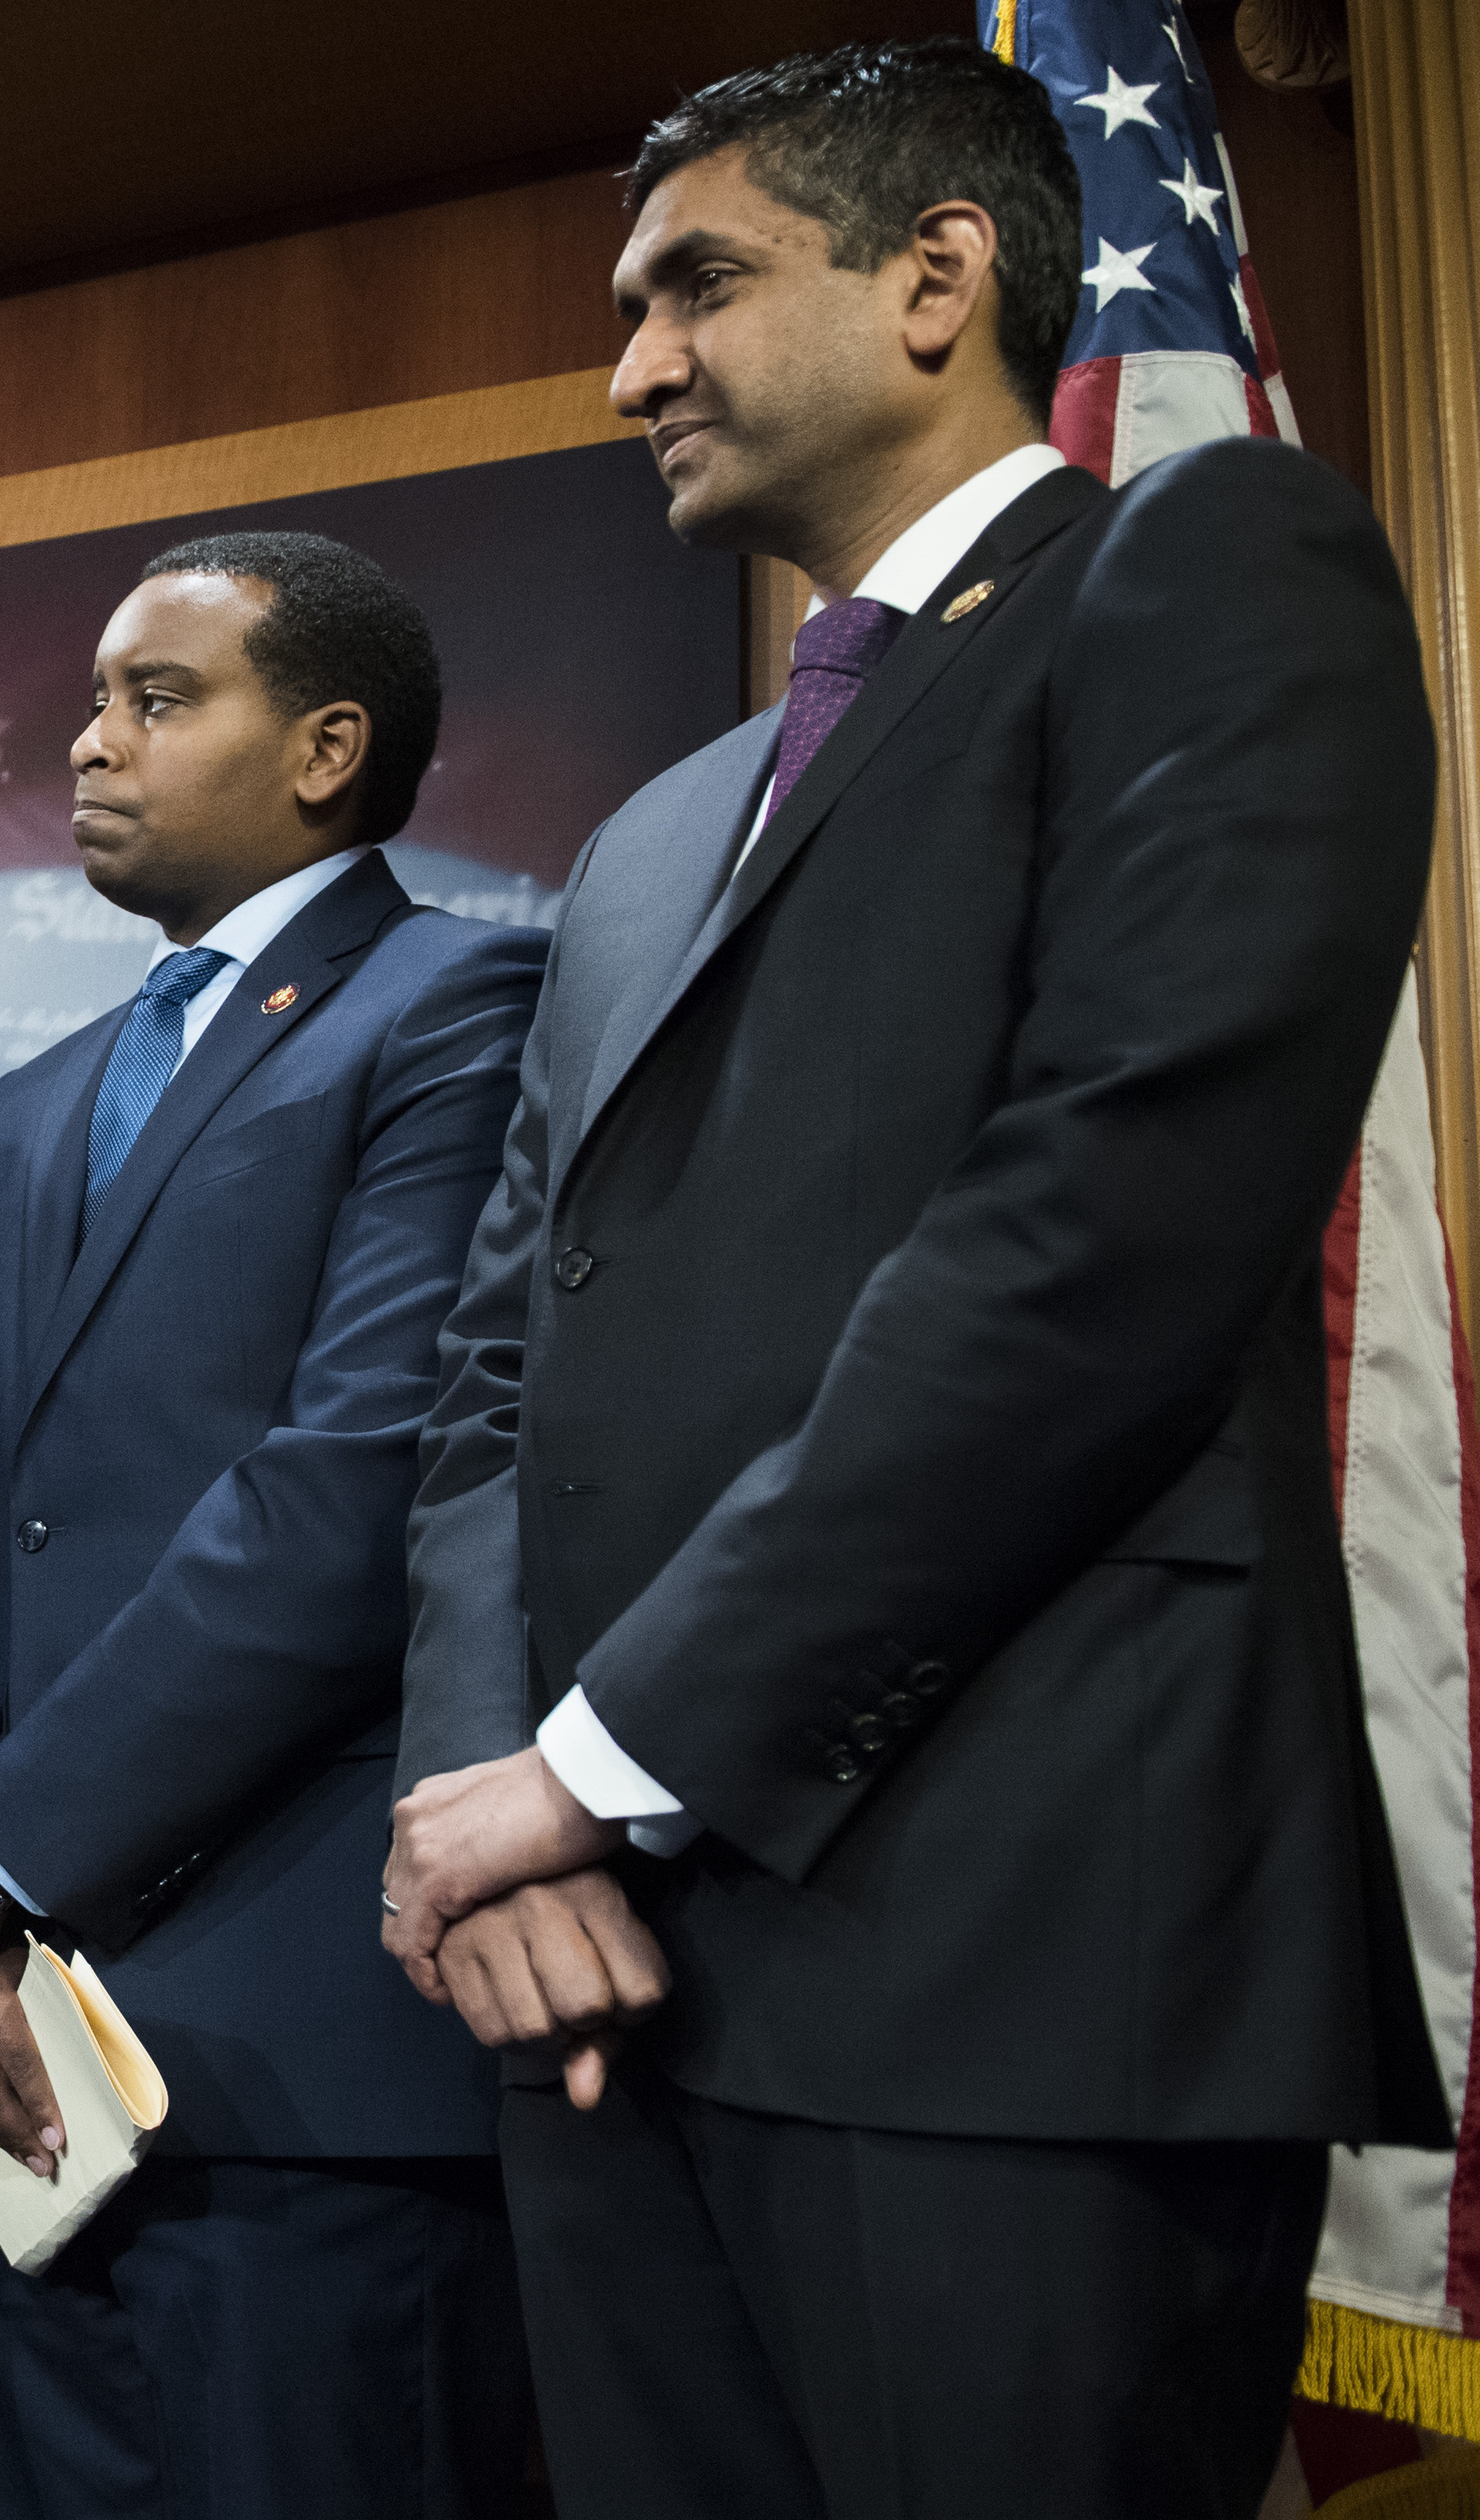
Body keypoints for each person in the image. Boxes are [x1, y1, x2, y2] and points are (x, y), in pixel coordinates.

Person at [382, 40, 1446, 2519]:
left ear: (938, 277)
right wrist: (491, 1826)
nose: (630, 362)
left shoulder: (1207, 568)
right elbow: (489, 1373)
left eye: (698, 284)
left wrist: (597, 1758)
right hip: (591, 1975)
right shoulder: (653, 831)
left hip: (1014, 1965)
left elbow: (1110, 1222)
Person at [0, 534, 547, 2514]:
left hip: (304, 2054)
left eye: (158, 699)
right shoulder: (39, 1095)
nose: (92, 741)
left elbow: (353, 1488)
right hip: (19, 2063)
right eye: (91, 699)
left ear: (329, 745)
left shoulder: (457, 998)